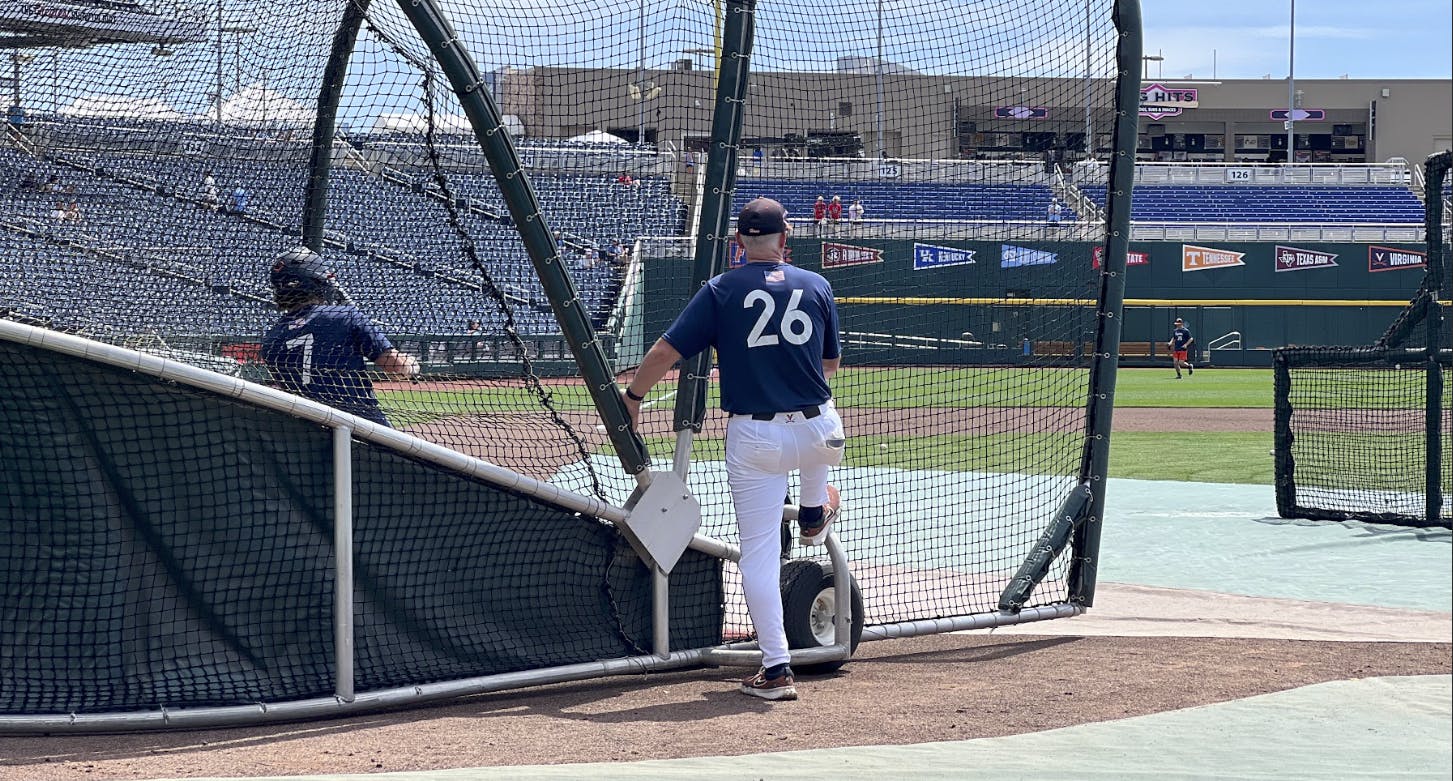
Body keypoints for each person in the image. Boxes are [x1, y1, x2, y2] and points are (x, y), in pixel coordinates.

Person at [619, 197, 845, 702]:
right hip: (821, 430)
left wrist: (634, 396)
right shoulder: (817, 284)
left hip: (757, 438)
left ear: (738, 243)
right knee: (817, 450)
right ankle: (814, 512)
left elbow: (664, 351)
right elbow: (829, 365)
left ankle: (777, 668)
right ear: (786, 240)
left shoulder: (722, 287)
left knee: (758, 556)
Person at [262, 247, 419, 426]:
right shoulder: (344, 316)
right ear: (317, 281)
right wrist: (411, 366)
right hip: (363, 429)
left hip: (310, 437)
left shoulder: (271, 339)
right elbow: (395, 366)